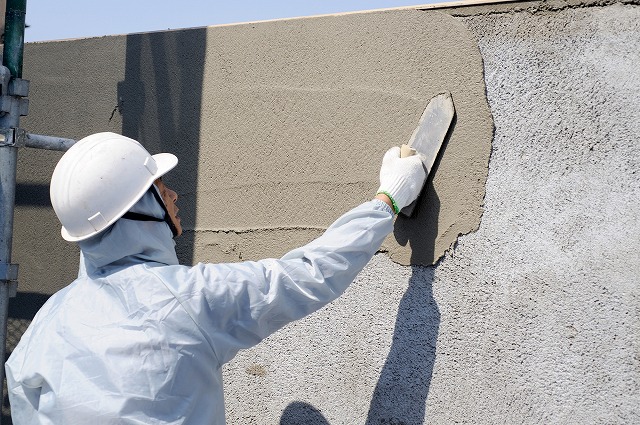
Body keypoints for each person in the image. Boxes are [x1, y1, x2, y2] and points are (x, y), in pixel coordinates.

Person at [5, 132, 426, 424]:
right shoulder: (184, 300)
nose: (172, 195)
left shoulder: (45, 324)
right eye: (159, 186)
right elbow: (308, 274)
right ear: (136, 211)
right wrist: (387, 200)